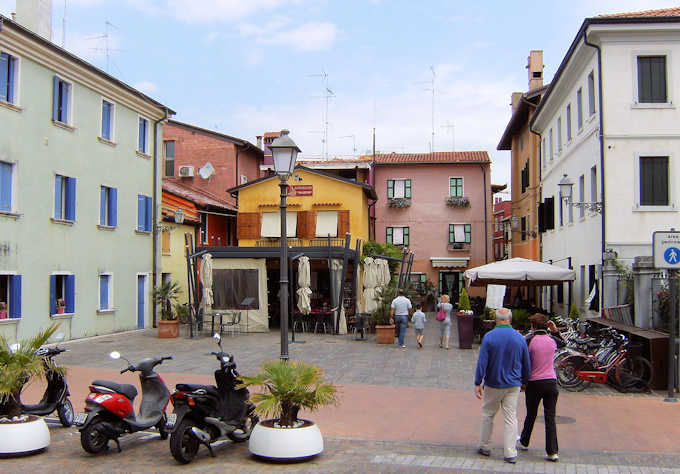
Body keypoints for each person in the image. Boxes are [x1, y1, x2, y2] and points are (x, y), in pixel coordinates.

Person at [474, 307, 531, 464]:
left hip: (493, 383)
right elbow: (526, 362)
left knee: (488, 414)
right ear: (510, 320)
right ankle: (510, 452)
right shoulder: (519, 338)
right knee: (511, 417)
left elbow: (482, 362)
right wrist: (525, 381)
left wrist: (478, 382)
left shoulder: (489, 337)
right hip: (513, 384)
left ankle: (484, 445)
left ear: (496, 320)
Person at [518, 314, 565, 462]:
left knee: (531, 413)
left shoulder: (529, 340)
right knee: (550, 417)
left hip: (534, 382)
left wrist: (523, 381)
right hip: (551, 382)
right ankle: (552, 451)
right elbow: (564, 343)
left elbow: (523, 361)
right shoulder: (552, 340)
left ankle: (525, 441)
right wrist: (555, 330)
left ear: (534, 327)